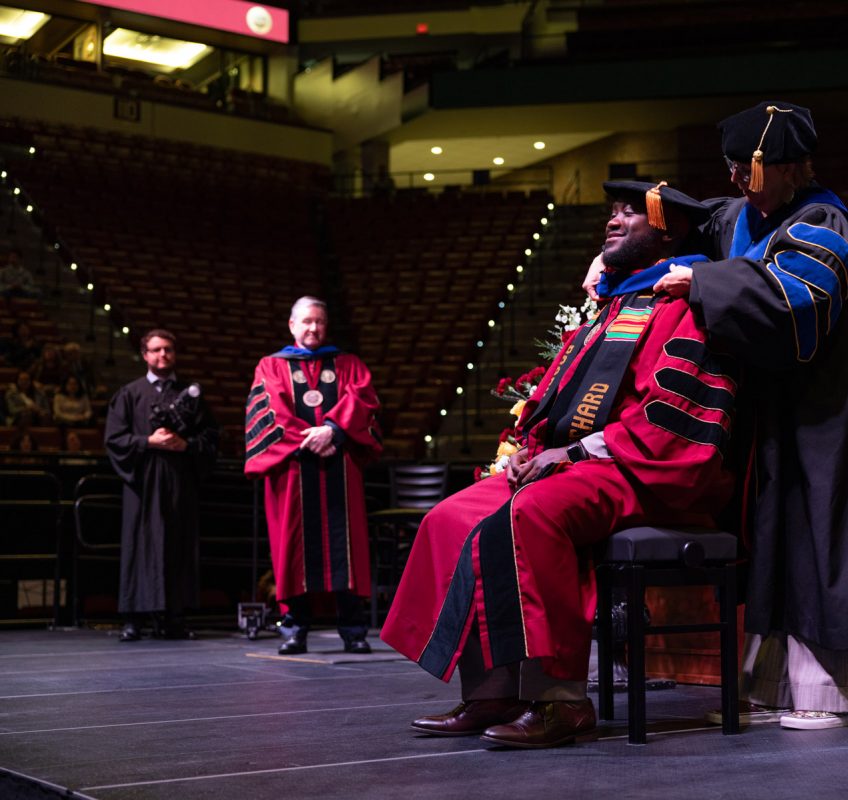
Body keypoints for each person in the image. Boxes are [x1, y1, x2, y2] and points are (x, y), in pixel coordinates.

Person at [382, 181, 737, 749]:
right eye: (612, 212)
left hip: (642, 470)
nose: (613, 222)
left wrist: (568, 453)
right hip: (574, 467)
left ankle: (560, 700)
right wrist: (530, 446)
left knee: (533, 514)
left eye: (630, 214)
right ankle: (494, 689)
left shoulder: (686, 308)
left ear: (668, 231)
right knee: (448, 517)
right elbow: (558, 399)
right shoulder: (613, 308)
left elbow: (670, 419)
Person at [585, 103, 848, 730]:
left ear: (791, 168)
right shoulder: (740, 218)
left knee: (816, 539)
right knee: (771, 542)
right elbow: (676, 222)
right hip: (765, 416)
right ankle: (771, 685)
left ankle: (828, 692)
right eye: (732, 166)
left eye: (750, 167)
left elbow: (790, 304)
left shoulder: (824, 221)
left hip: (819, 411)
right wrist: (607, 261)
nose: (736, 178)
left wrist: (702, 284)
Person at [244, 297, 383, 656]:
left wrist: (334, 430)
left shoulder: (349, 363)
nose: (313, 329)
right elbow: (271, 411)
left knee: (347, 549)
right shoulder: (270, 366)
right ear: (292, 325)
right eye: (306, 322)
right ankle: (294, 630)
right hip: (292, 471)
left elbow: (363, 399)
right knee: (292, 551)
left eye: (319, 322)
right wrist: (313, 437)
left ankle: (354, 630)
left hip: (340, 468)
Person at [104, 329, 219, 641]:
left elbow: (211, 437)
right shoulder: (129, 394)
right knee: (138, 546)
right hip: (142, 481)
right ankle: (134, 619)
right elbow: (114, 440)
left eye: (167, 349)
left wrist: (186, 444)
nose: (162, 355)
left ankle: (173, 617)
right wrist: (148, 441)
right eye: (155, 350)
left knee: (177, 546)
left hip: (179, 481)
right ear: (145, 355)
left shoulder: (191, 394)